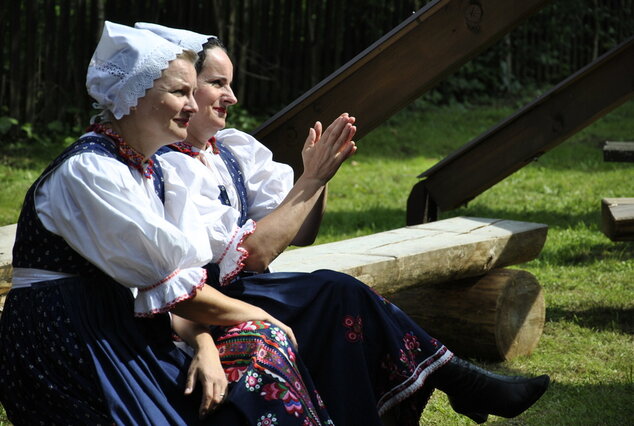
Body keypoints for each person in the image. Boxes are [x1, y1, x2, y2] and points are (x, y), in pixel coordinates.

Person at [137, 23, 551, 426]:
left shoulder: (231, 150)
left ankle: (456, 382)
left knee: (338, 299)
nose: (231, 95)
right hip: (204, 300)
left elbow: (301, 233)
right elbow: (254, 253)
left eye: (229, 83)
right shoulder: (168, 166)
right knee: (337, 293)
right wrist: (311, 180)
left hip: (245, 288)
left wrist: (320, 176)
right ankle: (459, 380)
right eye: (217, 83)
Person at [0, 21, 334, 426]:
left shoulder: (139, 168)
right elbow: (173, 286)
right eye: (179, 92)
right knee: (265, 338)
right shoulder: (90, 171)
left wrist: (208, 342)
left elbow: (171, 285)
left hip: (116, 321)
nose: (193, 106)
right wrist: (259, 315)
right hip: (64, 337)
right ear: (133, 97)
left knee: (273, 337)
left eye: (194, 92)